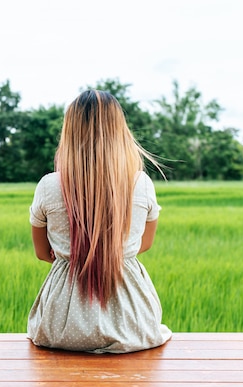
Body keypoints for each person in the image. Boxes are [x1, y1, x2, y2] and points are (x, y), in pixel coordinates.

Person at [27, 90, 172, 353]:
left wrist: (78, 256)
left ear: (69, 132)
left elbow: (42, 252)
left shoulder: (48, 186)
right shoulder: (142, 183)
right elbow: (145, 244)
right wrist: (107, 254)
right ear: (120, 131)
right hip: (133, 324)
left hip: (59, 326)